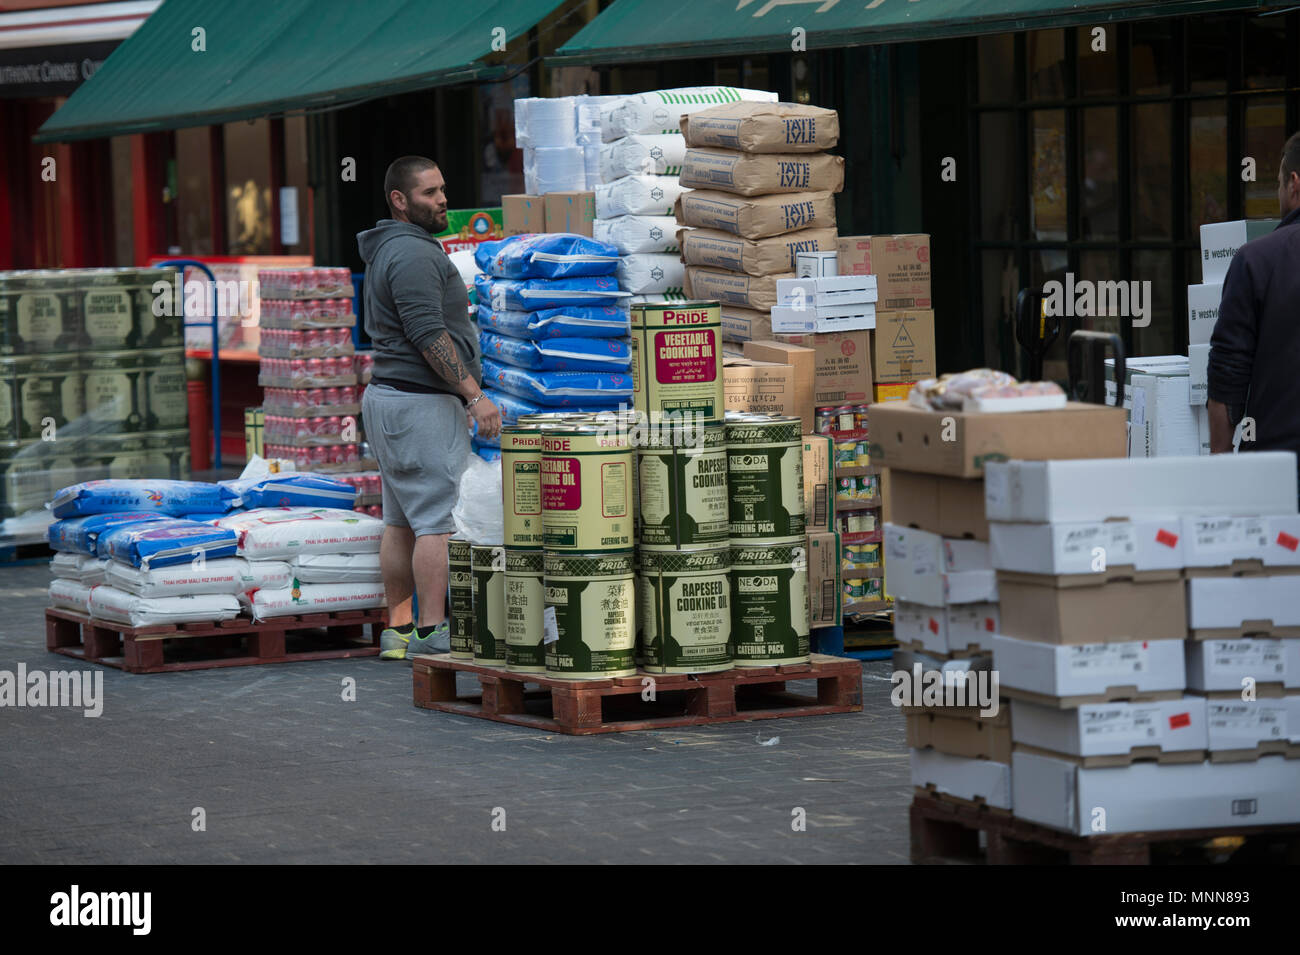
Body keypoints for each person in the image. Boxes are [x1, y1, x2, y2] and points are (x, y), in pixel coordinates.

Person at [357, 156, 501, 660]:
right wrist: (474, 395)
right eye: (428, 193)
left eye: (442, 189)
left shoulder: (389, 249)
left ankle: (396, 632)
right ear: (400, 200)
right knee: (436, 523)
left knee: (400, 521)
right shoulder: (414, 255)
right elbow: (427, 334)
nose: (442, 200)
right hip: (419, 404)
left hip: (387, 397)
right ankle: (431, 630)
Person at [1206, 131, 1300, 495]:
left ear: (1294, 184)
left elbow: (1228, 369)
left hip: (1278, 473)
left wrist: (1220, 457)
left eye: (1277, 183)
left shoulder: (1257, 260)